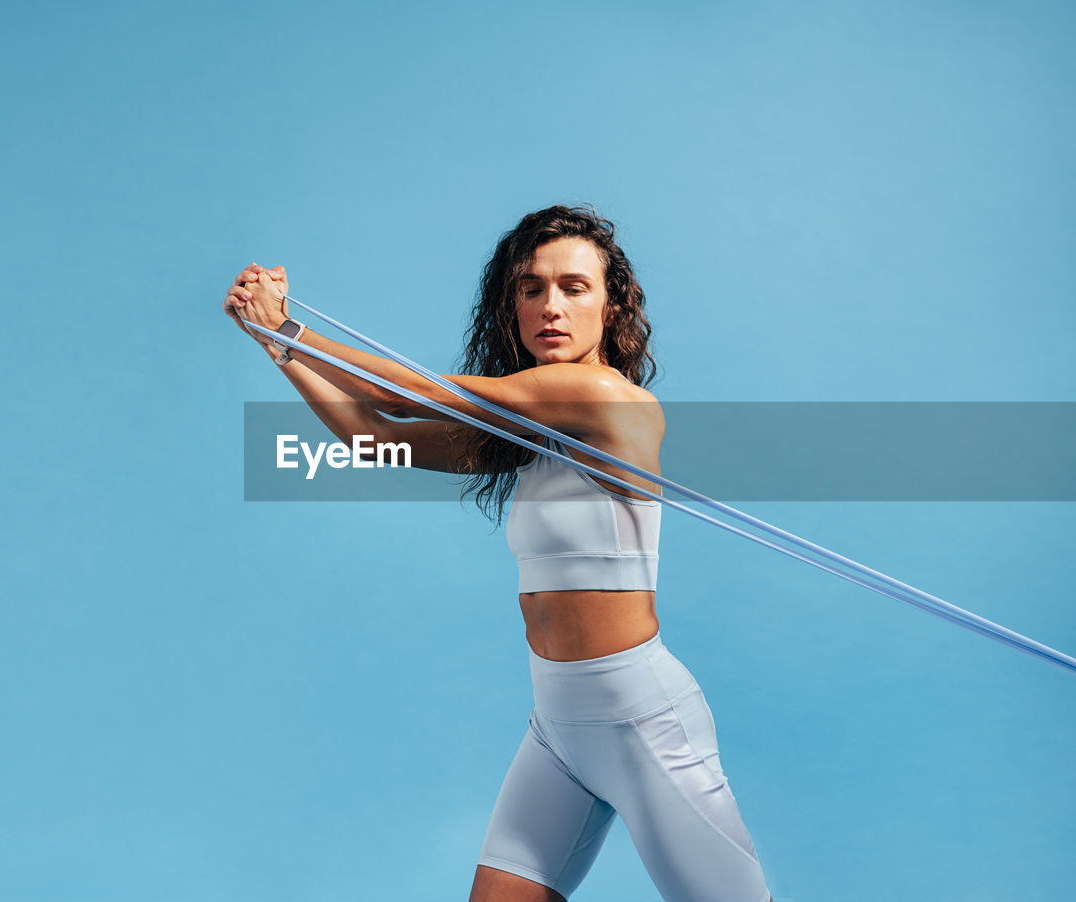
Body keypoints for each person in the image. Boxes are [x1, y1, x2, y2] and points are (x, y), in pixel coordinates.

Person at [225, 204, 773, 902]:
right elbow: (370, 435)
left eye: (574, 287)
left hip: (639, 720)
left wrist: (288, 327)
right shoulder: (533, 432)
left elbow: (409, 396)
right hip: (557, 727)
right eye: (530, 287)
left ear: (612, 308)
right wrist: (276, 346)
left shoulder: (605, 398)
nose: (550, 306)